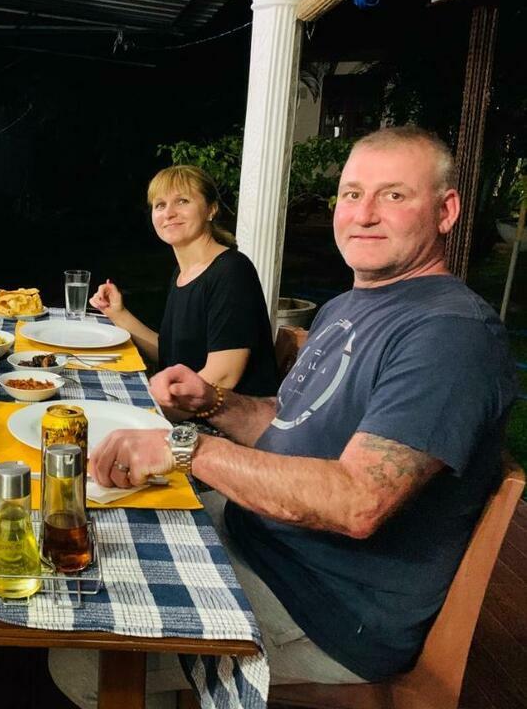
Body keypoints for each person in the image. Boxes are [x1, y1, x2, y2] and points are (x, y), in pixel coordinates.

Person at [52, 127, 518, 707]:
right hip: (258, 533)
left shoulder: (450, 335)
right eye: (352, 194)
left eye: (394, 195)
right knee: (96, 528)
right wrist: (212, 402)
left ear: (445, 211)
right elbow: (293, 420)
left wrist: (187, 448)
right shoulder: (349, 306)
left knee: (81, 652)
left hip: (325, 606)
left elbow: (358, 502)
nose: (364, 214)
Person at [90, 165, 278, 398]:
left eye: (182, 201)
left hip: (228, 414)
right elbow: (169, 354)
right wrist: (117, 313)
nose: (169, 213)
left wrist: (158, 406)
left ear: (211, 209)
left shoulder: (232, 271)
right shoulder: (183, 274)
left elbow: (223, 376)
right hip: (190, 404)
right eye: (160, 205)